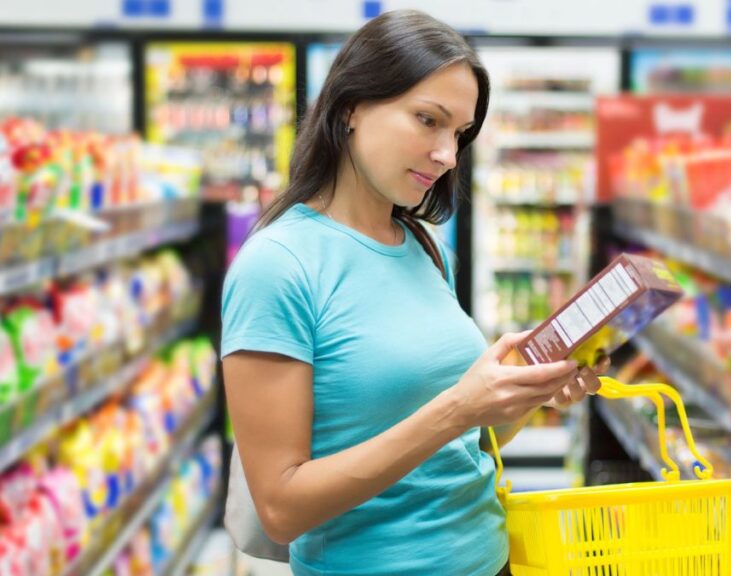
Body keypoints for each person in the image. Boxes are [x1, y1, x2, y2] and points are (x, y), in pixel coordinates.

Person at [221, 10, 599, 576]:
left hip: (491, 559)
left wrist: (526, 391)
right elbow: (280, 507)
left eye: (459, 134)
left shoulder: (425, 247)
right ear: (351, 107)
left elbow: (461, 443)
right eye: (429, 120)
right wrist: (456, 409)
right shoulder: (278, 266)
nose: (448, 154)